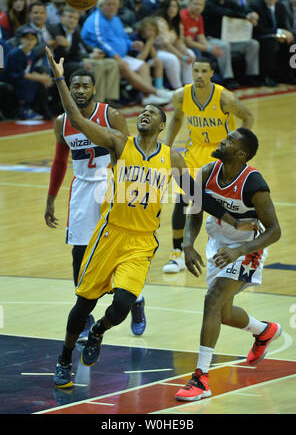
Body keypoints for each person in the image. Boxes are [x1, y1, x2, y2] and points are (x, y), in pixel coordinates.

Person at [45, 45, 258, 388]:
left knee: (122, 305)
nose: (144, 114)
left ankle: (99, 332)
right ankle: (63, 359)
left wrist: (192, 242)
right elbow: (79, 119)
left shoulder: (173, 159)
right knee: (83, 302)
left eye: (152, 113)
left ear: (162, 125)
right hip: (111, 232)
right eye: (141, 111)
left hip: (142, 242)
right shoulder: (119, 144)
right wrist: (59, 79)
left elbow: (194, 201)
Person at [175, 127, 282, 401]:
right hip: (218, 244)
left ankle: (201, 378)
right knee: (221, 313)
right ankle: (264, 330)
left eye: (230, 140)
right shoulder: (209, 172)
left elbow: (275, 231)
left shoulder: (254, 185)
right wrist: (187, 244)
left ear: (241, 153)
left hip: (248, 247)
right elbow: (196, 211)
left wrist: (241, 250)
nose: (223, 140)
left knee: (212, 299)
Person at [44, 67, 147, 341]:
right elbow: (59, 162)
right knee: (80, 253)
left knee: (118, 250)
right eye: (74, 86)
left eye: (84, 86)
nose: (79, 90)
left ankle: (136, 300)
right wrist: (51, 199)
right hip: (82, 190)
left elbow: (129, 155)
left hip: (111, 187)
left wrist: (132, 194)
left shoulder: (110, 115)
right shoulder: (62, 122)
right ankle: (85, 315)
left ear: (93, 90)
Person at [162, 57, 254, 273]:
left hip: (222, 155)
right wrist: (167, 146)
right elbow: (176, 118)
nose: (199, 75)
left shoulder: (225, 97)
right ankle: (177, 253)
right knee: (183, 199)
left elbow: (248, 117)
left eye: (204, 71)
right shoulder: (181, 95)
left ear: (212, 73)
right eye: (196, 71)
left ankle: (244, 251)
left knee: (232, 205)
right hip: (194, 152)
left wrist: (242, 149)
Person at [81, 0, 172, 106]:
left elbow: (123, 37)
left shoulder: (116, 19)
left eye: (114, 5)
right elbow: (101, 43)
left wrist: (132, 44)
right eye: (108, 4)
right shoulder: (95, 20)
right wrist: (117, 58)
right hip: (104, 56)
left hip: (120, 56)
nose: (111, 7)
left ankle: (147, 97)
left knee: (142, 65)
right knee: (124, 66)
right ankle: (156, 92)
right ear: (100, 6)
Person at [203, 0, 261, 89]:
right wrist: (245, 16)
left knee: (253, 44)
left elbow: (243, 9)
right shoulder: (208, 4)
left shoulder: (229, 2)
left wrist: (252, 14)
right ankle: (228, 78)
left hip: (231, 40)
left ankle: (251, 75)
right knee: (224, 46)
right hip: (211, 40)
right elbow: (224, 12)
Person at [250, 0, 295, 86]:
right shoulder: (256, 6)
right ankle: (268, 76)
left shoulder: (280, 6)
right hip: (260, 37)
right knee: (271, 41)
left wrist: (286, 34)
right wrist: (278, 33)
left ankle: (289, 75)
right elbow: (259, 29)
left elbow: (283, 26)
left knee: (292, 41)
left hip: (276, 35)